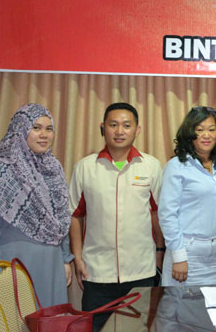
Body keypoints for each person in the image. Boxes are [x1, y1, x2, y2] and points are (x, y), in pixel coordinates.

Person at [68, 102, 164, 331]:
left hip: (141, 269)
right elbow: (75, 215)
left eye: (126, 125)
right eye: (113, 125)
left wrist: (160, 252)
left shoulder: (151, 166)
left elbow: (158, 213)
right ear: (103, 128)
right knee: (97, 328)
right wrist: (78, 257)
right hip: (97, 271)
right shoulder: (85, 167)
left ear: (137, 130)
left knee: (138, 328)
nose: (119, 131)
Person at [0, 104, 72, 307]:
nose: (44, 135)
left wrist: (65, 259)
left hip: (52, 265)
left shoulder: (53, 169)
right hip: (14, 267)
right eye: (36, 128)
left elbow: (61, 219)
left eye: (49, 129)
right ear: (20, 129)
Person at [158, 106, 216, 285]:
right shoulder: (176, 166)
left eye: (211, 129)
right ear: (189, 134)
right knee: (182, 311)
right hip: (186, 255)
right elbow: (167, 214)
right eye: (199, 130)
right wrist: (178, 256)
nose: (206, 135)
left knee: (212, 311)